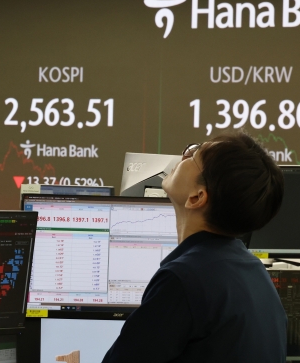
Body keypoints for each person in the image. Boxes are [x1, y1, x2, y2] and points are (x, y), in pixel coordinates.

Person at [102, 131, 287, 363]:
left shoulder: (184, 280)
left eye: (194, 155)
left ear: (197, 197)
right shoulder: (253, 271)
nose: (182, 157)